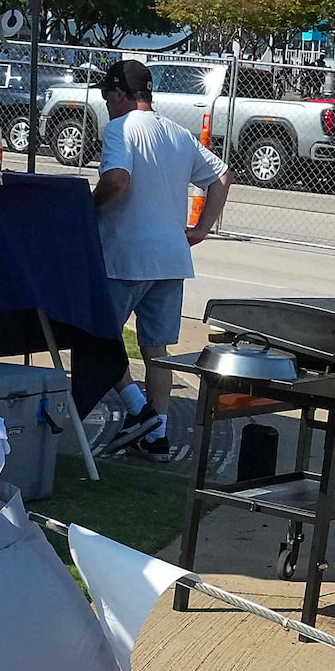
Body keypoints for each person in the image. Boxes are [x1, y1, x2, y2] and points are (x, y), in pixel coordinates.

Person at [92, 56, 228, 458]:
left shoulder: (120, 128)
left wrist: (88, 209)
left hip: (125, 254)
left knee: (96, 337)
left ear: (120, 93)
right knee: (156, 349)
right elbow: (222, 176)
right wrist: (201, 229)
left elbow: (117, 179)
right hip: (170, 256)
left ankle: (139, 410)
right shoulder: (177, 134)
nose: (107, 104)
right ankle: (159, 435)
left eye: (107, 96)